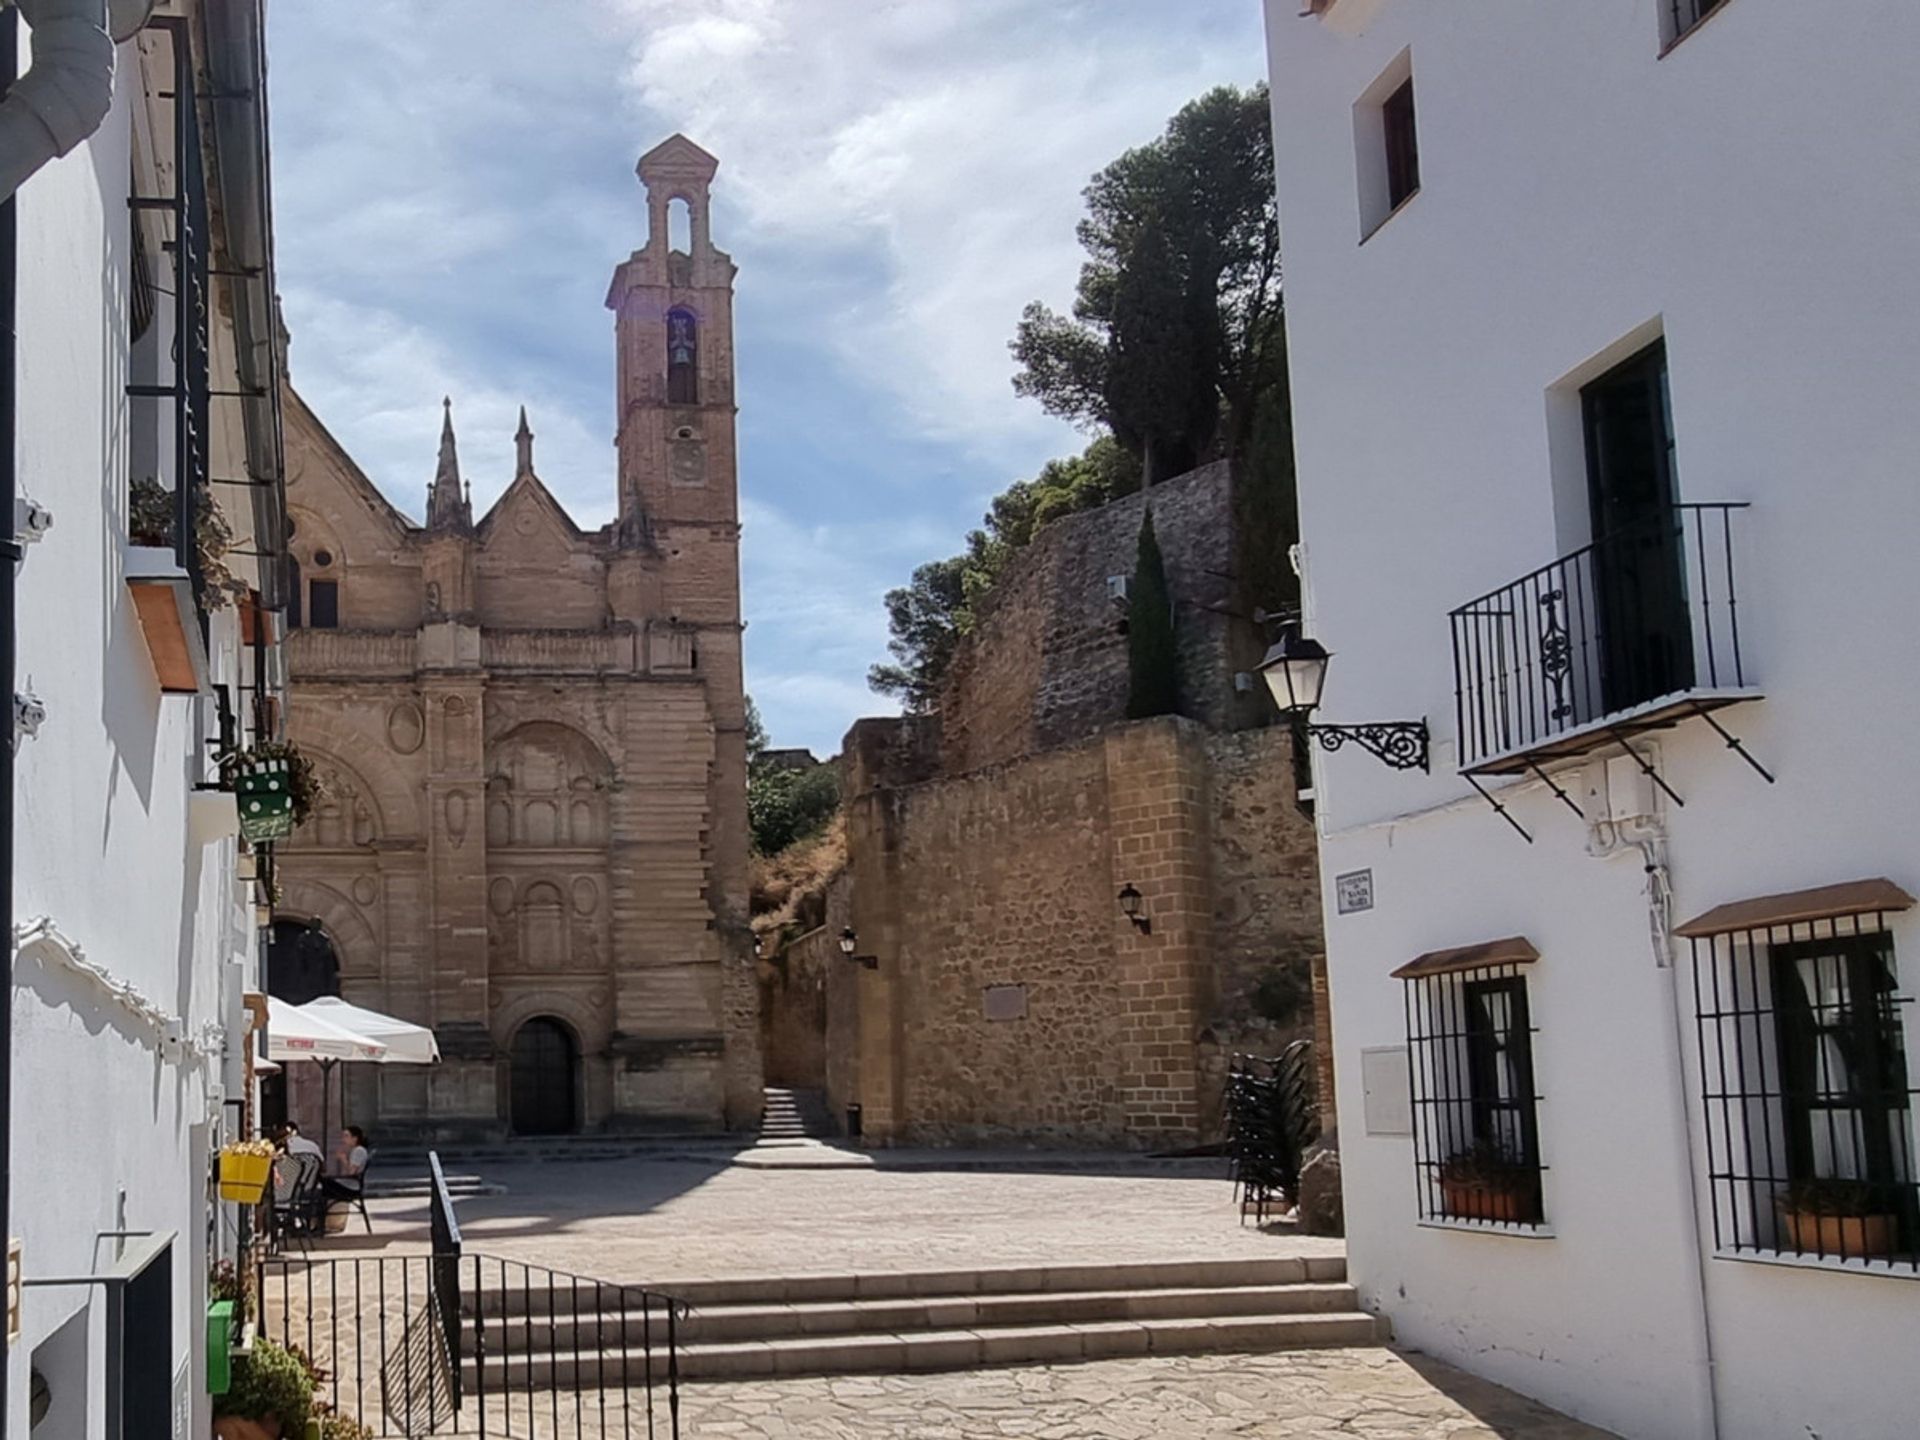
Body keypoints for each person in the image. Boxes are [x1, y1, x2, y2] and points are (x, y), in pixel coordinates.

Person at [321, 1125, 370, 1203]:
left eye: (346, 1136)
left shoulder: (359, 1151)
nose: (343, 1139)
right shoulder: (354, 1150)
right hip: (347, 1184)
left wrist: (343, 1159)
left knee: (323, 1182)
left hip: (350, 1187)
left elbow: (351, 1172)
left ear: (355, 1138)